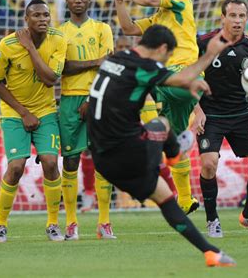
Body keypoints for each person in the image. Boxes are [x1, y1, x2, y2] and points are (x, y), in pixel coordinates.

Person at [87, 24, 236, 267]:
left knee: (166, 198)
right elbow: (184, 76)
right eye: (167, 57)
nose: (165, 62)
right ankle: (175, 153)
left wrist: (184, 84)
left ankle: (211, 253)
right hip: (131, 153)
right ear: (163, 48)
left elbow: (139, 87)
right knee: (163, 123)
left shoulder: (116, 59)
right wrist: (209, 54)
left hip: (102, 160)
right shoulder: (146, 66)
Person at [106, 0, 200, 214]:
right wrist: (120, 1)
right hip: (172, 83)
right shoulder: (160, 17)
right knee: (175, 144)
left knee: (132, 76)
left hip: (182, 75)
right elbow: (128, 29)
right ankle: (186, 199)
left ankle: (140, 126)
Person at [192, 0, 248, 238]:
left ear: (247, 18)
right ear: (223, 18)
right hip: (211, 115)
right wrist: (197, 111)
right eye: (233, 16)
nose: (238, 21)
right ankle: (212, 220)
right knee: (208, 164)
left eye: (242, 16)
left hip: (240, 113)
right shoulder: (204, 42)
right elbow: (190, 76)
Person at [0, 0, 67, 242]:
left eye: (46, 15)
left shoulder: (58, 39)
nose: (43, 19)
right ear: (26, 19)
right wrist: (23, 112)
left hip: (45, 110)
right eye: (37, 15)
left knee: (51, 163)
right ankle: (0, 224)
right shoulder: (8, 44)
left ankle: (53, 224)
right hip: (14, 113)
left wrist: (31, 48)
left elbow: (50, 79)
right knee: (16, 167)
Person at [58, 0, 115, 240]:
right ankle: (71, 222)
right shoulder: (58, 33)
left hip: (99, 97)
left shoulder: (103, 28)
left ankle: (104, 222)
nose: (78, 0)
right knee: (70, 160)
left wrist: (92, 99)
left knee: (102, 159)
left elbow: (110, 66)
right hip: (69, 100)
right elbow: (62, 68)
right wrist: (94, 61)